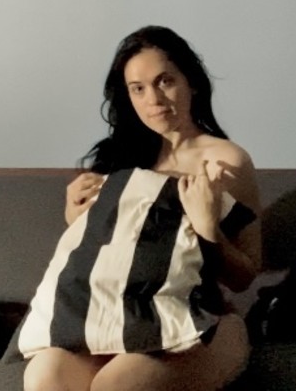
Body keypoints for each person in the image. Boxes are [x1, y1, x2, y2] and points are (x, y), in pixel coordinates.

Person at [23, 25, 262, 391]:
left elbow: (244, 276)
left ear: (192, 83)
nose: (153, 99)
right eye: (138, 88)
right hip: (110, 319)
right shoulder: (118, 161)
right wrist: (75, 217)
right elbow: (102, 259)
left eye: (165, 81)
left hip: (195, 321)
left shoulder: (225, 161)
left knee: (115, 385)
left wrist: (207, 230)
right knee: (45, 374)